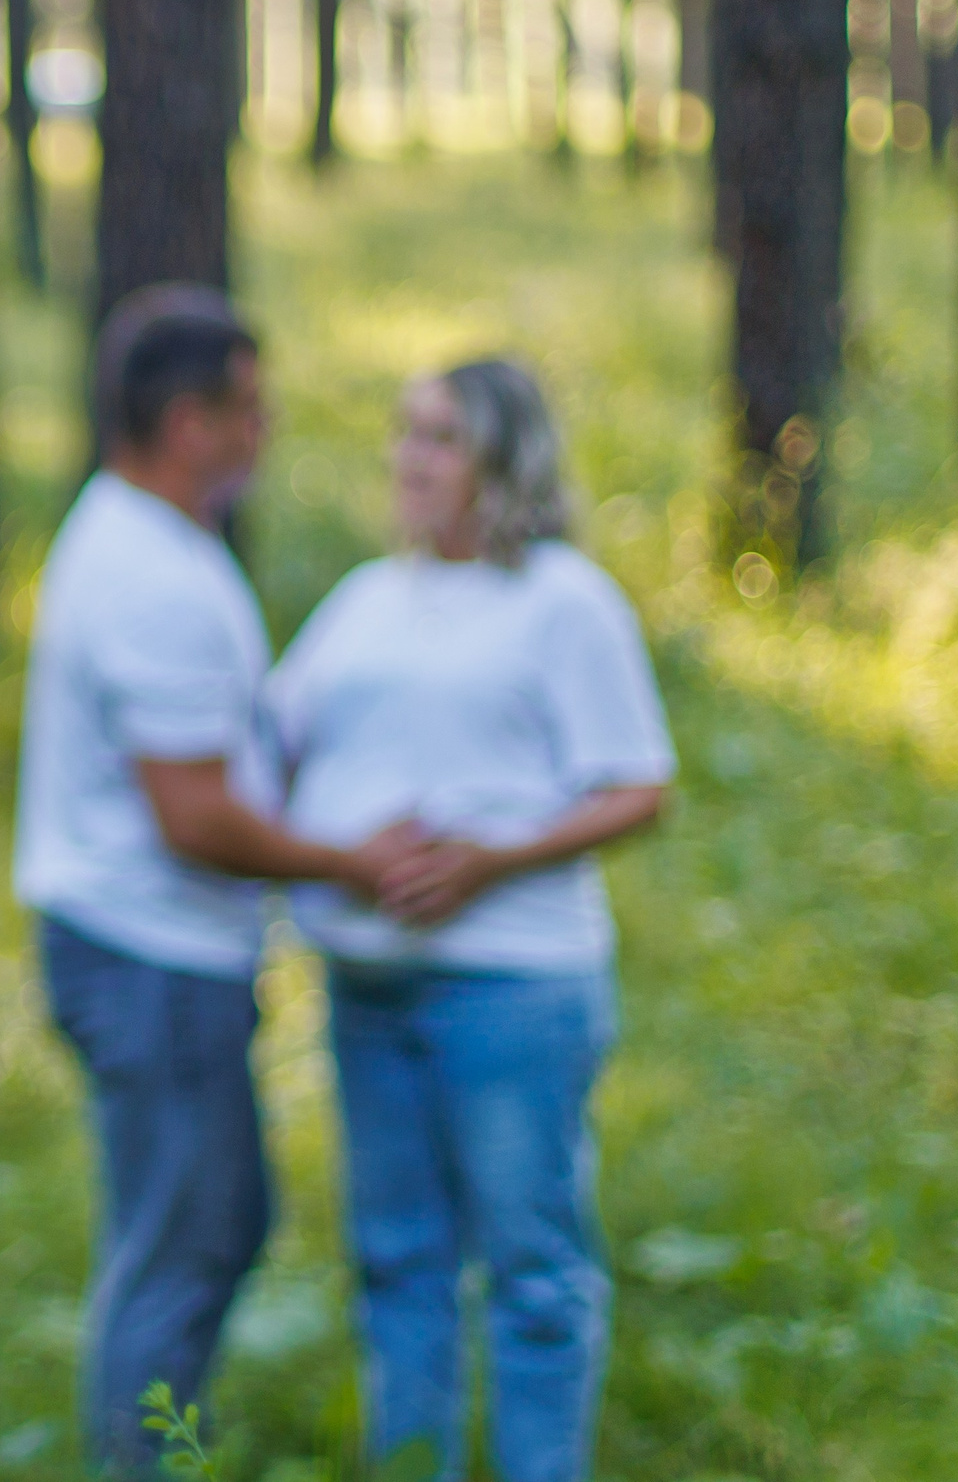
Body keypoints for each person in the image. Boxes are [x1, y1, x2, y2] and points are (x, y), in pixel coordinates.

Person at [13, 286, 423, 1473]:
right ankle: (140, 1458)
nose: (267, 428)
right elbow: (192, 816)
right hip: (149, 956)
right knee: (181, 1244)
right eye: (249, 407)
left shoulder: (144, 541)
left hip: (153, 951)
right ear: (189, 421)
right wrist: (352, 858)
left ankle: (152, 1441)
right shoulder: (153, 577)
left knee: (213, 1223)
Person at [264, 359, 673, 1482]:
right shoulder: (365, 597)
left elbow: (638, 786)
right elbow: (269, 737)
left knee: (533, 1268)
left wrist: (491, 859)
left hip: (511, 986)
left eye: (439, 437)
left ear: (503, 456)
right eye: (404, 432)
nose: (409, 457)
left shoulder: (561, 599)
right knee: (396, 1260)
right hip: (367, 982)